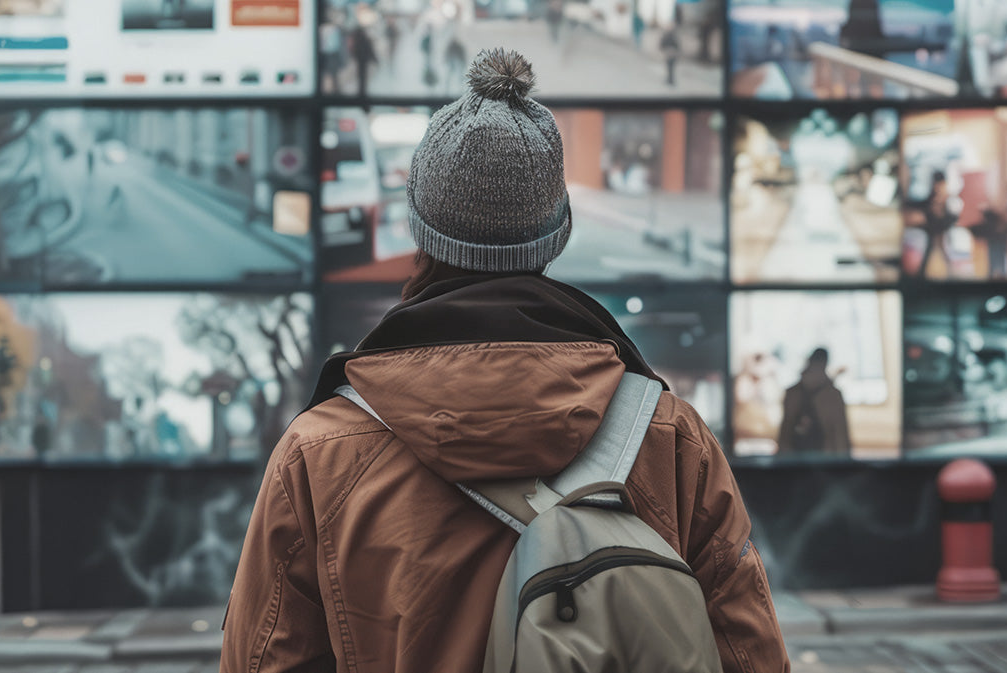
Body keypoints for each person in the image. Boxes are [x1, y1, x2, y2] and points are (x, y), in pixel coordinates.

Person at [221, 48, 789, 673]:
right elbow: (750, 654)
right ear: (557, 233)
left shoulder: (319, 452)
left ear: (420, 228)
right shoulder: (669, 436)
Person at [777, 348, 852, 455]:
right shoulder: (832, 396)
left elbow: (784, 436)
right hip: (817, 462)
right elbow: (840, 437)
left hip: (799, 462)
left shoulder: (792, 394)